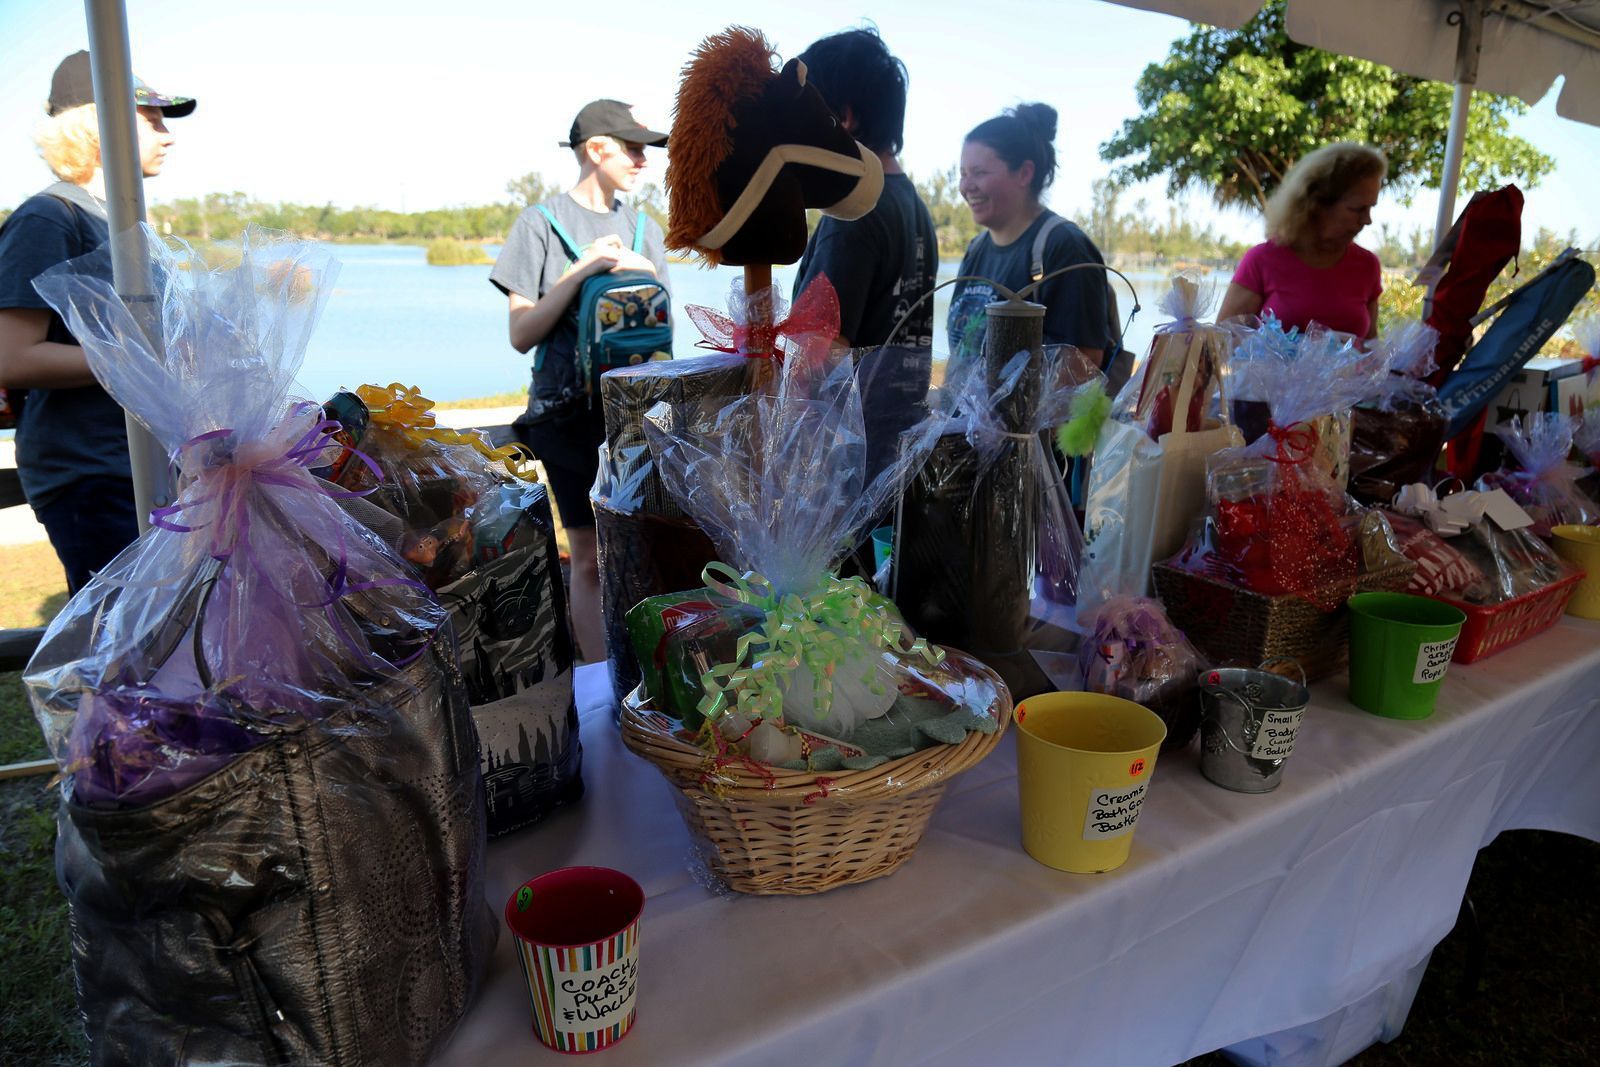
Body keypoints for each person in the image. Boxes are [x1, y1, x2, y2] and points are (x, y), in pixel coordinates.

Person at [0, 50, 194, 594]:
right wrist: (142, 357)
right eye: (151, 119)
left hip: (143, 467)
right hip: (91, 476)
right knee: (123, 655)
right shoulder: (51, 216)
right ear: (95, 123)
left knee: (164, 644)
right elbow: (11, 357)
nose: (167, 134)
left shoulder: (119, 222)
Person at [490, 100, 670, 662]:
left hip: (634, 416)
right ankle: (597, 684)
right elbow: (522, 332)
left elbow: (661, 332)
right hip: (566, 420)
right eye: (633, 147)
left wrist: (639, 268)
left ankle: (646, 682)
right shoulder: (538, 226)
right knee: (588, 557)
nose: (644, 160)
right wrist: (581, 271)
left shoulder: (646, 231)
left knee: (644, 552)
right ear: (596, 149)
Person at [946, 103, 1127, 389]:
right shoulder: (976, 249)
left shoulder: (1065, 248)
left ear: (1024, 173)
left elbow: (1083, 369)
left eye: (979, 172)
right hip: (967, 431)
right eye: (962, 173)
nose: (966, 186)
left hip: (1032, 435)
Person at [791, 27, 936, 351]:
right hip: (903, 402)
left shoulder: (854, 213)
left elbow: (810, 364)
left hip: (849, 405)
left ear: (843, 117)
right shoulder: (911, 203)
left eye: (802, 112)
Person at [1217, 142, 1386, 342]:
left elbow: (1370, 346)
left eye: (1371, 208)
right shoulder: (1263, 260)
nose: (1367, 220)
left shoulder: (1367, 266)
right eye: (1357, 209)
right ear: (1316, 204)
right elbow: (1222, 344)